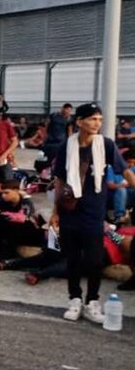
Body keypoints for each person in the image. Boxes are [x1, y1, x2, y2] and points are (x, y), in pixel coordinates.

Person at [51, 103, 125, 323]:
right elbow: (60, 179)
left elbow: (123, 170)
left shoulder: (106, 145)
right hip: (70, 211)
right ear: (80, 121)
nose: (97, 123)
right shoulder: (67, 146)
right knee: (72, 258)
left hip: (94, 212)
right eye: (92, 119)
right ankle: (74, 299)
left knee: (94, 260)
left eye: (99, 119)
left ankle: (92, 301)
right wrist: (55, 211)